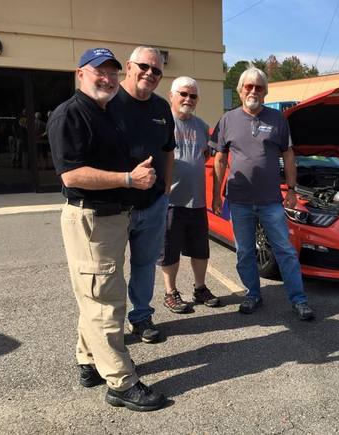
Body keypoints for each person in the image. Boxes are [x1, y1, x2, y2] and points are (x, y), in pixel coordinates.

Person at [47, 47, 165, 411]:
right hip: (92, 220)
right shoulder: (70, 114)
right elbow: (72, 174)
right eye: (100, 71)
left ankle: (88, 361)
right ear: (80, 73)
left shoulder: (103, 111)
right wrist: (128, 179)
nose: (108, 78)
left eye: (112, 73)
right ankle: (121, 382)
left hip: (111, 219)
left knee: (94, 295)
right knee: (105, 303)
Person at [211, 66, 314, 321]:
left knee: (284, 250)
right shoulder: (227, 120)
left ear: (265, 92)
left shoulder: (277, 119)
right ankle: (253, 294)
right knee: (245, 251)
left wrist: (292, 189)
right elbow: (220, 159)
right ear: (240, 90)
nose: (253, 91)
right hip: (239, 200)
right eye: (249, 86)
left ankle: (298, 300)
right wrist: (215, 195)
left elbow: (288, 155)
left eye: (259, 87)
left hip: (271, 201)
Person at [108, 46, 175, 343]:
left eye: (157, 70)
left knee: (145, 264)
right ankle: (108, 328)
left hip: (153, 204)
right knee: (108, 271)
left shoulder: (161, 108)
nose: (150, 73)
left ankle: (141, 317)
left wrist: (166, 189)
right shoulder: (108, 102)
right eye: (144, 67)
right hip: (115, 206)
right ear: (128, 66)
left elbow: (168, 150)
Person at [158, 76, 220, 313]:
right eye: (183, 94)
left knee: (200, 250)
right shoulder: (163, 123)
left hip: (197, 201)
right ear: (171, 96)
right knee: (169, 251)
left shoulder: (202, 126)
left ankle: (200, 288)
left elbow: (207, 156)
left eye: (193, 96)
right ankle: (170, 292)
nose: (188, 99)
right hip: (170, 201)